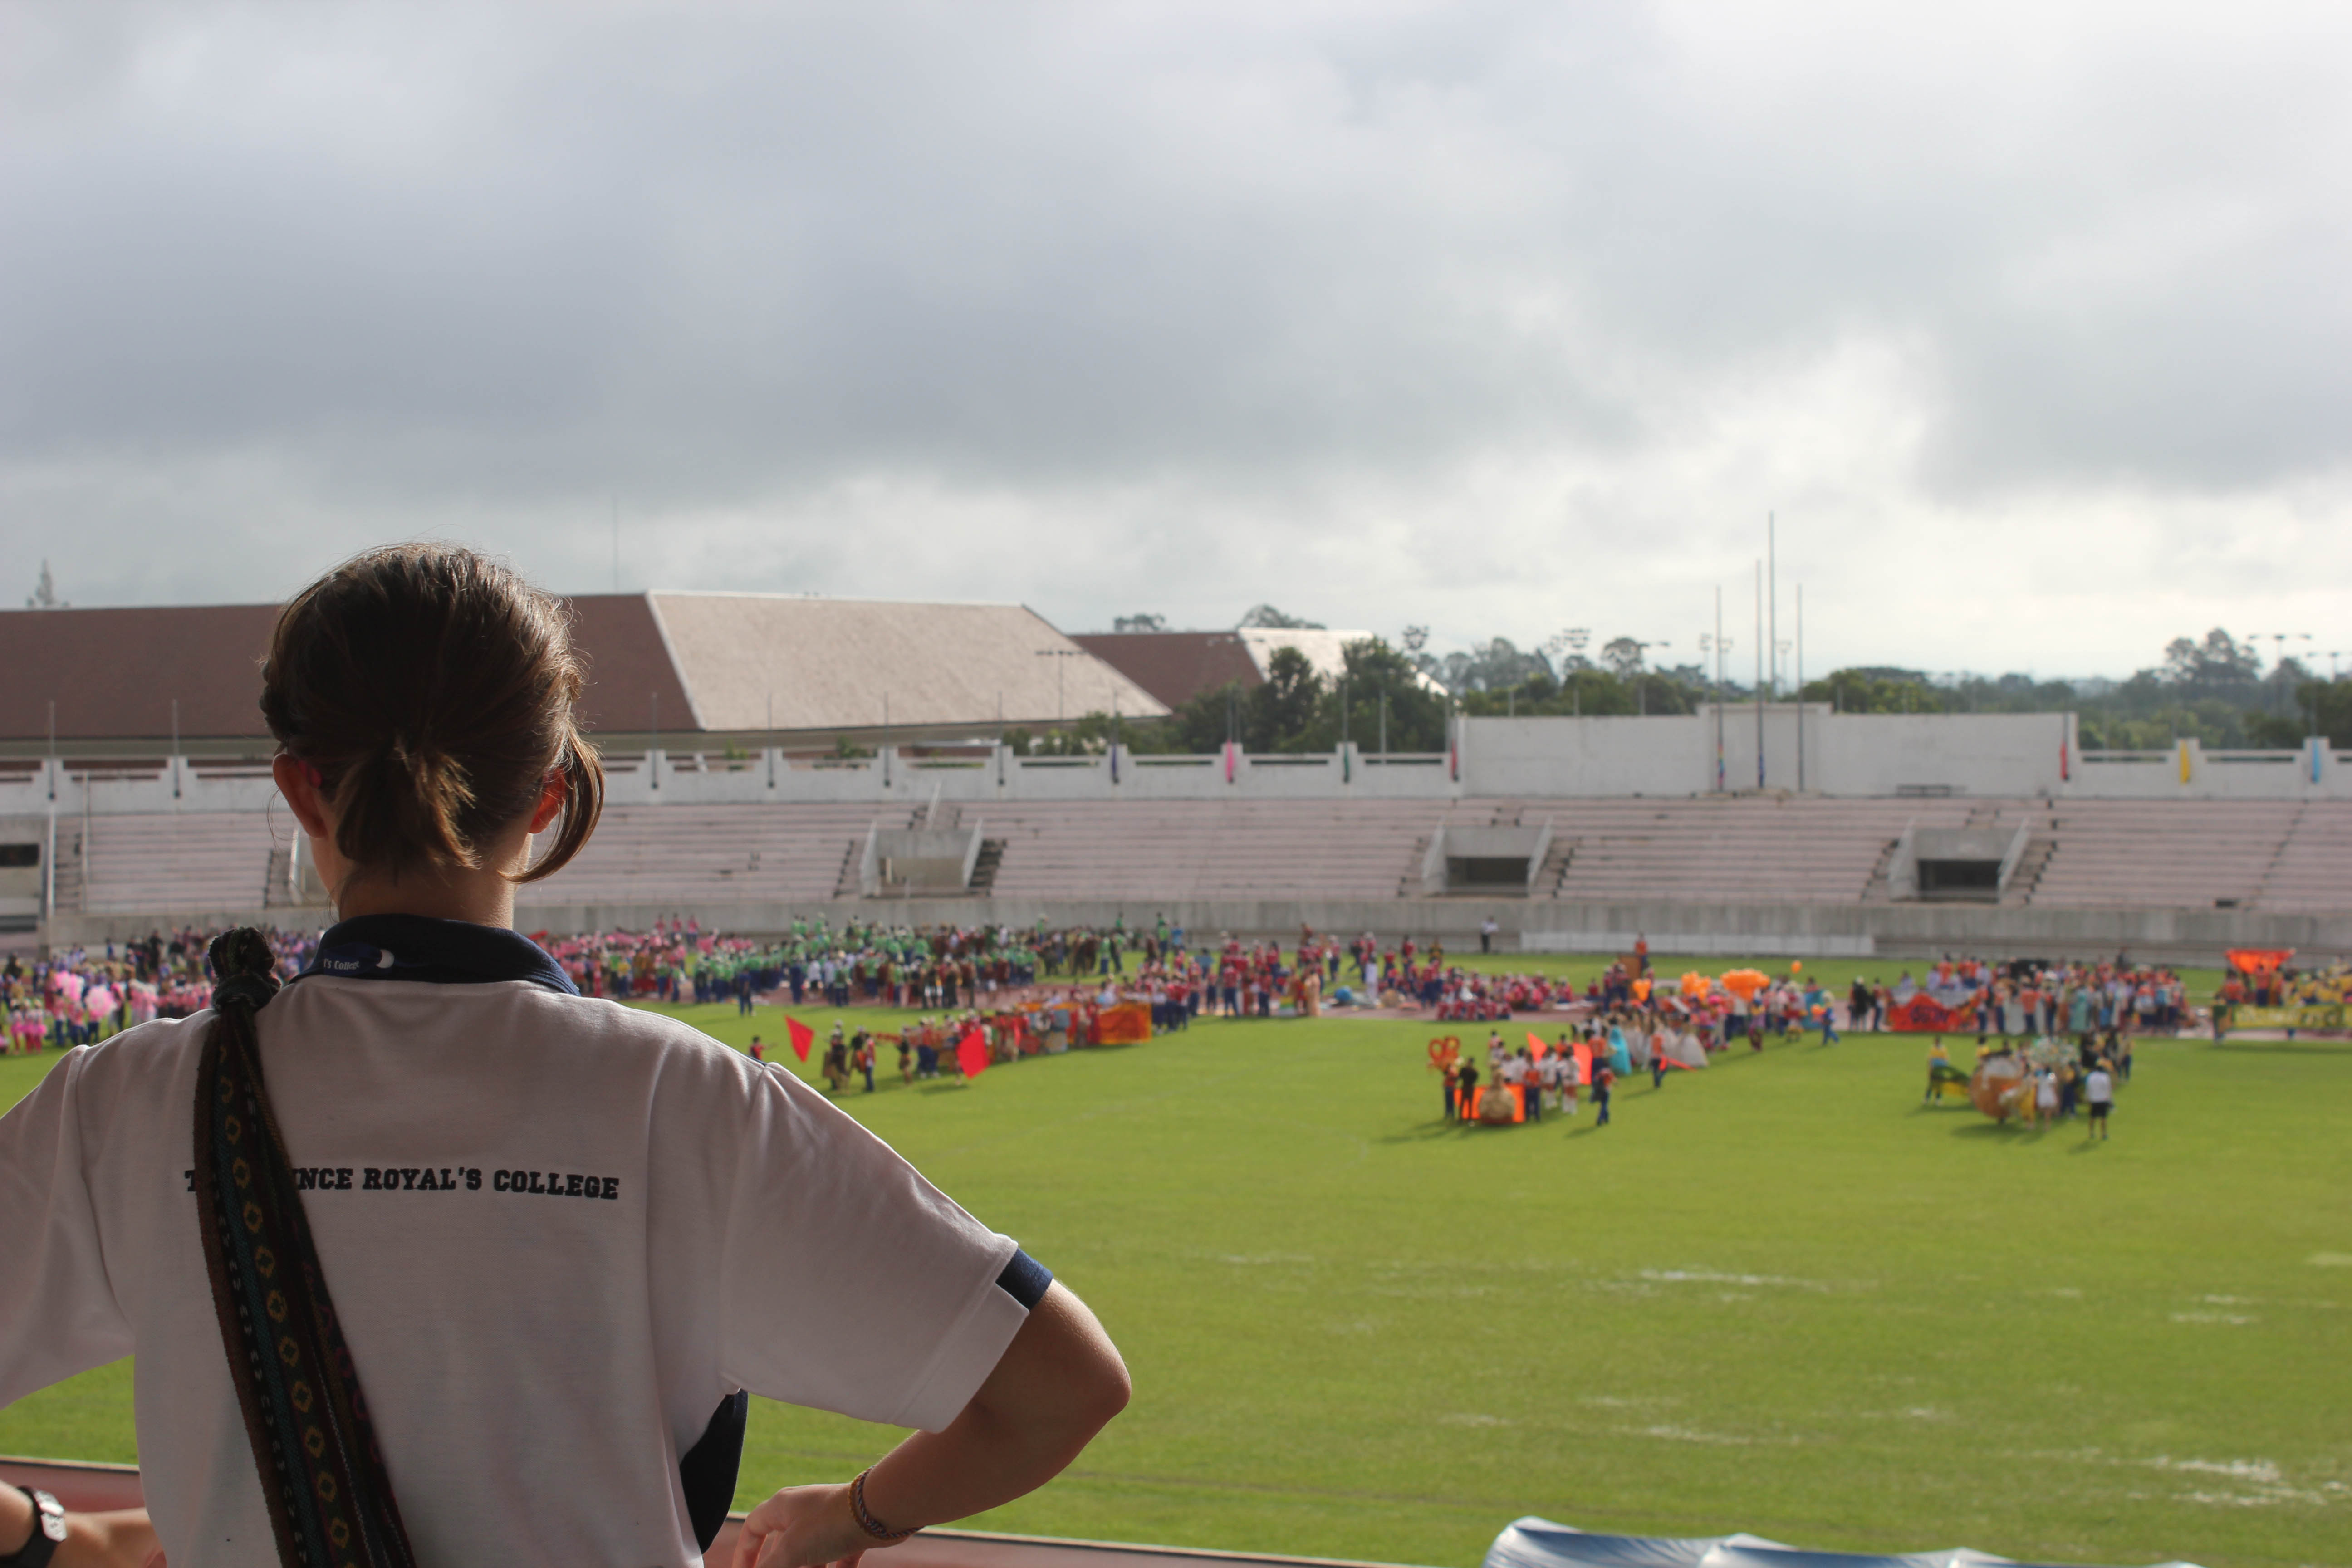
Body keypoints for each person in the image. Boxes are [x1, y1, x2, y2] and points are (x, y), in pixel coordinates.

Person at [0, 545, 1128, 1568]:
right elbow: (1062, 1386)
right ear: (546, 794)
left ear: (300, 783)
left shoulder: (124, 1102)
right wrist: (853, 1511)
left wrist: (58, 1539)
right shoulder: (682, 1100)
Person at [2084, 1060, 2115, 1139]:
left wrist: (2087, 1098)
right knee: (2103, 1118)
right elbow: (2108, 1089)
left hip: (2093, 1099)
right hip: (2103, 1100)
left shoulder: (2091, 1077)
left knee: (2092, 1117)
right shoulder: (2105, 1077)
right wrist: (2110, 1100)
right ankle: (2104, 1134)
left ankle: (2092, 1133)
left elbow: (2088, 1088)